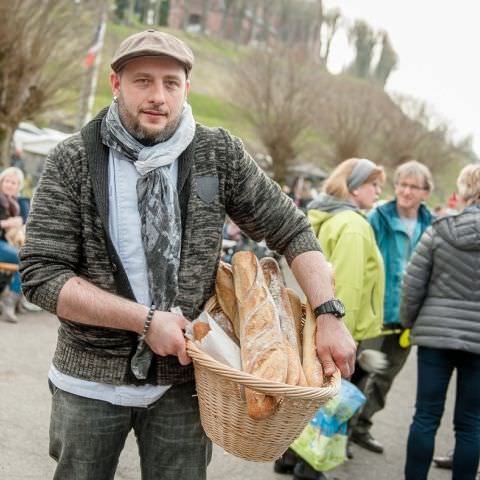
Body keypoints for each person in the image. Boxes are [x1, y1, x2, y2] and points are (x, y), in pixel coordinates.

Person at [19, 29, 356, 480]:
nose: (158, 96)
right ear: (115, 84)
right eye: (143, 81)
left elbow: (291, 228)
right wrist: (143, 320)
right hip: (89, 379)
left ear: (186, 88)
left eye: (170, 83)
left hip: (187, 377)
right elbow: (42, 275)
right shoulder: (74, 159)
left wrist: (329, 314)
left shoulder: (217, 153)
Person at [275, 158, 386, 480]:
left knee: (305, 394)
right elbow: (347, 285)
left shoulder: (325, 215)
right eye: (373, 184)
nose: (379, 191)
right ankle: (310, 468)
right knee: (330, 400)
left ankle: (287, 456)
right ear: (353, 186)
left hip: (310, 322)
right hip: (337, 327)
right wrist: (343, 334)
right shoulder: (353, 225)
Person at [400, 163, 480, 480]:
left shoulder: (439, 230)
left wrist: (409, 321)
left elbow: (413, 283)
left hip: (435, 337)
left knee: (426, 416)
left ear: (462, 190)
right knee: (471, 422)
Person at [350, 160, 434, 453]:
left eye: (413, 187)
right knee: (359, 373)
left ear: (425, 193)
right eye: (402, 184)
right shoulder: (378, 217)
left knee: (385, 378)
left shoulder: (431, 224)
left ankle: (362, 426)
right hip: (376, 314)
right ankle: (341, 432)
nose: (406, 191)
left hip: (408, 318)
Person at [0, 166, 28, 323]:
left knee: (27, 257)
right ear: (1, 181)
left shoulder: (14, 203)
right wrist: (8, 223)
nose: (10, 185)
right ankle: (9, 301)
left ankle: (14, 300)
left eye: (14, 183)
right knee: (25, 259)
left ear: (18, 186)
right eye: (7, 181)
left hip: (5, 245)